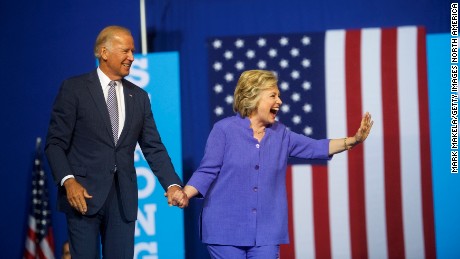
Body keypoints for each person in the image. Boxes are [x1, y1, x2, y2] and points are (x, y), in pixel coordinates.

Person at [181, 70, 373, 259]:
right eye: (273, 95)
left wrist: (354, 140)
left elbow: (317, 147)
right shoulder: (224, 130)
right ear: (252, 97)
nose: (279, 101)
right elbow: (207, 170)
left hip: (267, 231)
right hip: (224, 229)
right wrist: (185, 193)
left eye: (279, 96)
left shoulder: (282, 134)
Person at [45, 25, 188, 259]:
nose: (132, 57)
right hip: (84, 197)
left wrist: (172, 184)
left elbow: (153, 147)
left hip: (123, 200)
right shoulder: (75, 89)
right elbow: (55, 143)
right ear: (104, 52)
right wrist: (68, 181)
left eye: (132, 51)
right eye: (126, 51)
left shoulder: (139, 97)